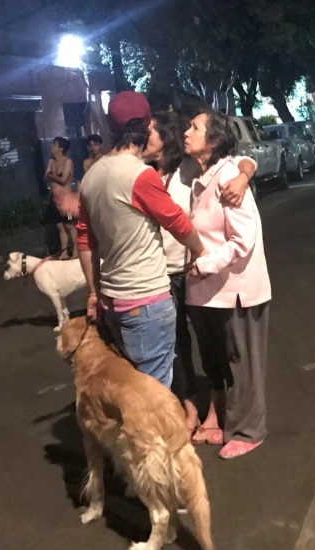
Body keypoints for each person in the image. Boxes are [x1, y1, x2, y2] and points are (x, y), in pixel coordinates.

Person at [75, 91, 206, 390]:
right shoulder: (140, 176)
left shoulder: (91, 177)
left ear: (109, 128)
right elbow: (176, 221)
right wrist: (200, 251)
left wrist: (94, 292)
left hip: (113, 301)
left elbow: (85, 239)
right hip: (146, 300)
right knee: (153, 395)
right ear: (147, 126)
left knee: (131, 389)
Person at [142, 111, 257, 442]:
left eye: (150, 131)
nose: (143, 137)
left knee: (215, 346)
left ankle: (216, 409)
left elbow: (241, 159)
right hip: (158, 274)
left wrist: (243, 177)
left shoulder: (190, 169)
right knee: (176, 346)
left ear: (167, 136)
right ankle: (191, 406)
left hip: (191, 271)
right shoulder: (142, 175)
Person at [183, 110, 273, 460]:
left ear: (215, 140)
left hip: (235, 289)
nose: (188, 133)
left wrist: (204, 264)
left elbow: (242, 240)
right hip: (206, 291)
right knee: (218, 360)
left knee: (242, 362)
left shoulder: (229, 179)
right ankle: (225, 419)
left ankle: (249, 430)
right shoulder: (198, 175)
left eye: (195, 128)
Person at [44, 136, 78, 259]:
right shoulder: (51, 162)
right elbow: (45, 177)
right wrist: (51, 176)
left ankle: (75, 251)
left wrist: (51, 176)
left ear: (61, 148)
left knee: (69, 225)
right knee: (60, 227)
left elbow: (63, 180)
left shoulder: (67, 161)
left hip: (66, 201)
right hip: (55, 200)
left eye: (54, 145)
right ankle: (64, 251)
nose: (51, 147)